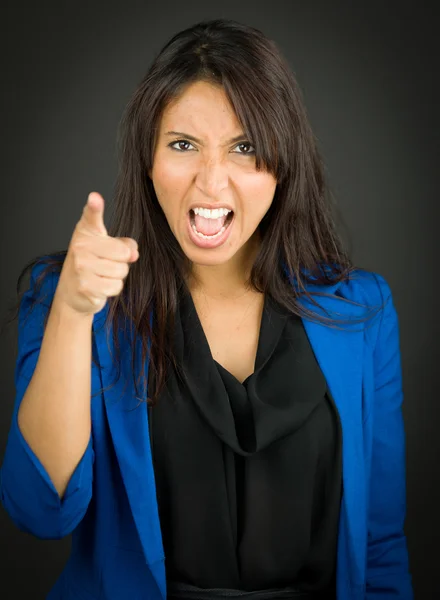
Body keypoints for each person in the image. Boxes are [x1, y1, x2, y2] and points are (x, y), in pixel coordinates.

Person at [0, 17, 413, 600]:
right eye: (183, 145)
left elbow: (380, 545)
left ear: (281, 164)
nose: (211, 182)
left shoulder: (364, 311)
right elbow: (40, 512)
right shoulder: (74, 296)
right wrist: (73, 313)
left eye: (244, 148)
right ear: (149, 160)